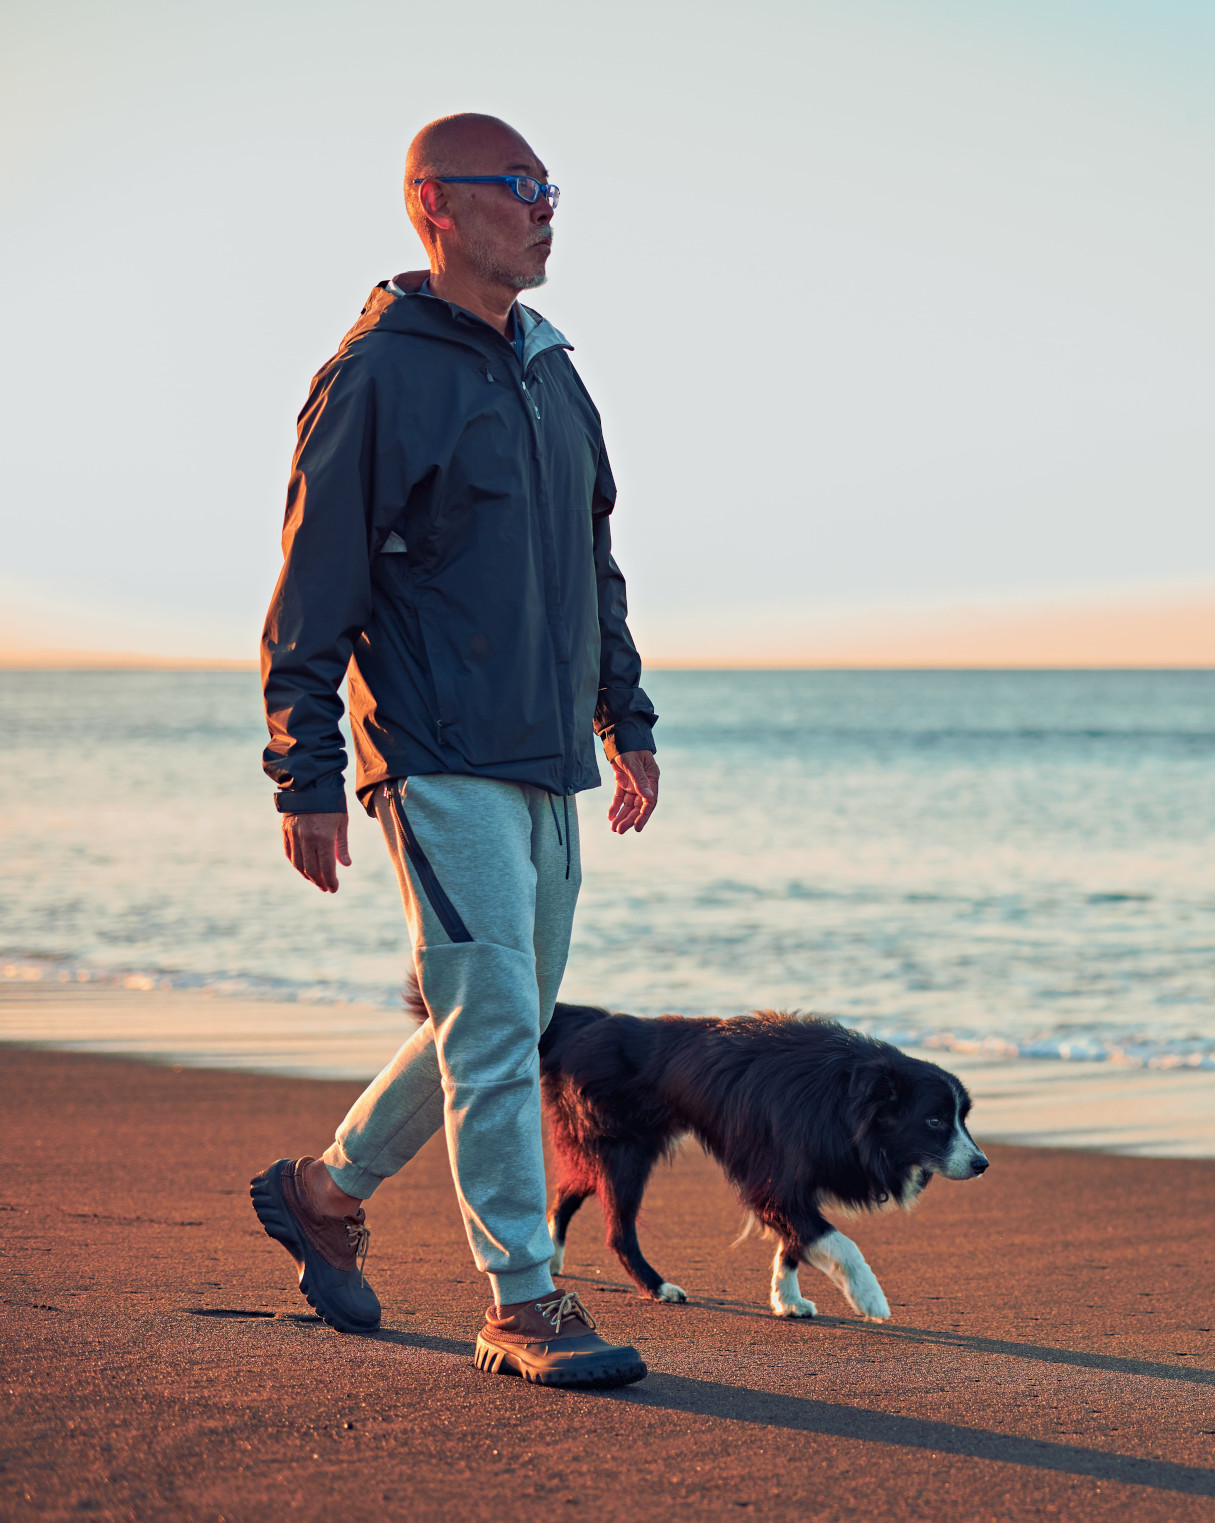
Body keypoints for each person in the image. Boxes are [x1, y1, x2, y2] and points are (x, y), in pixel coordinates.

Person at [250, 113, 659, 1389]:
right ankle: (524, 1301)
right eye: (522, 186)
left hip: (545, 757)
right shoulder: (377, 373)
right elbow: (311, 587)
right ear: (438, 205)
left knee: (503, 1016)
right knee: (492, 1030)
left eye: (552, 188)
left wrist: (624, 718)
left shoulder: (555, 373)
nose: (548, 209)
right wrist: (305, 771)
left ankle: (325, 1188)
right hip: (430, 752)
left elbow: (593, 567)